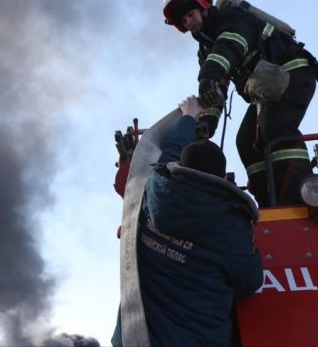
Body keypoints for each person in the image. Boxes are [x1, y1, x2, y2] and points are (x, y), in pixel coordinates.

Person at [112, 96, 263, 346]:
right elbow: (250, 282)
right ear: (221, 180)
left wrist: (188, 115)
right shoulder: (232, 225)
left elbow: (166, 154)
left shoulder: (150, 191)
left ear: (180, 167)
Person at [162, 0, 318, 207]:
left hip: (292, 73)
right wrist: (207, 122)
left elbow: (230, 45)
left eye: (190, 14)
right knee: (246, 142)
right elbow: (216, 89)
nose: (189, 21)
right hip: (266, 90)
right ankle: (269, 203)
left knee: (274, 127)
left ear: (203, 8)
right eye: (184, 20)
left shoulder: (231, 18)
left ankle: (299, 195)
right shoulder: (207, 50)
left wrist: (208, 75)